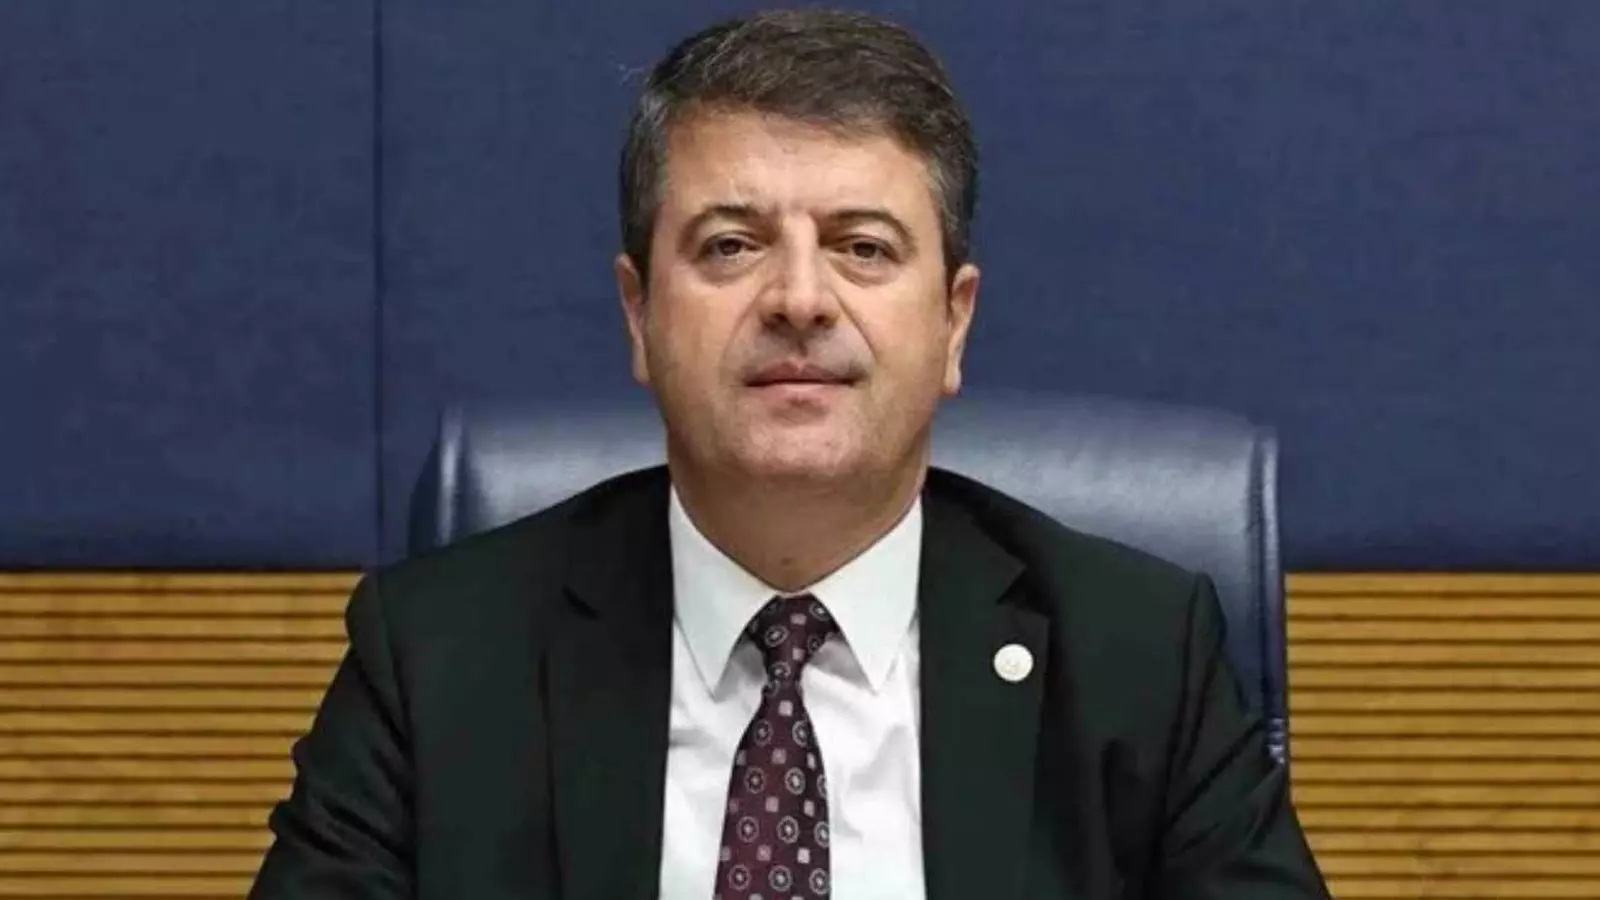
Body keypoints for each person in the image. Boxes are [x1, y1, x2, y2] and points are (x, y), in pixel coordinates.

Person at [250, 8, 1329, 899]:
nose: (800, 299)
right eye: (731, 246)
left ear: (953, 324)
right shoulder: (436, 658)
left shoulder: (1140, 661)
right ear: (639, 316)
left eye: (863, 247)